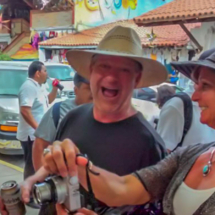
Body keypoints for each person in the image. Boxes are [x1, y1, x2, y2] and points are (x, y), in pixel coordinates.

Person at [0, 26, 168, 215]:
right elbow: (56, 170)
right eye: (104, 66)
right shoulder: (74, 116)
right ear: (91, 71)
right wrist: (29, 186)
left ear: (136, 79)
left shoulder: (149, 144)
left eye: (124, 70)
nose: (111, 76)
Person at [40, 48, 215, 215]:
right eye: (104, 67)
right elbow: (122, 188)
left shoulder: (149, 141)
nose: (194, 96)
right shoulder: (189, 157)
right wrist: (73, 161)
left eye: (205, 86)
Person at [33, 73, 92, 170]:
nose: (94, 92)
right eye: (89, 88)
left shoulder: (105, 112)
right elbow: (39, 145)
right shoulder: (58, 111)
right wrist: (42, 179)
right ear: (76, 90)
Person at [17, 61, 58, 180]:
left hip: (39, 134)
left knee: (41, 164)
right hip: (31, 135)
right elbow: (25, 110)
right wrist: (39, 129)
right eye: (45, 71)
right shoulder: (28, 87)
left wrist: (55, 88)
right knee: (31, 166)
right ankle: (28, 193)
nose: (47, 74)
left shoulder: (40, 86)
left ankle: (38, 190)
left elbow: (49, 100)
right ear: (37, 73)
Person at [156, 78, 215, 151]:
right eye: (197, 83)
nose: (194, 97)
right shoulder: (178, 105)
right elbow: (161, 156)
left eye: (205, 85)